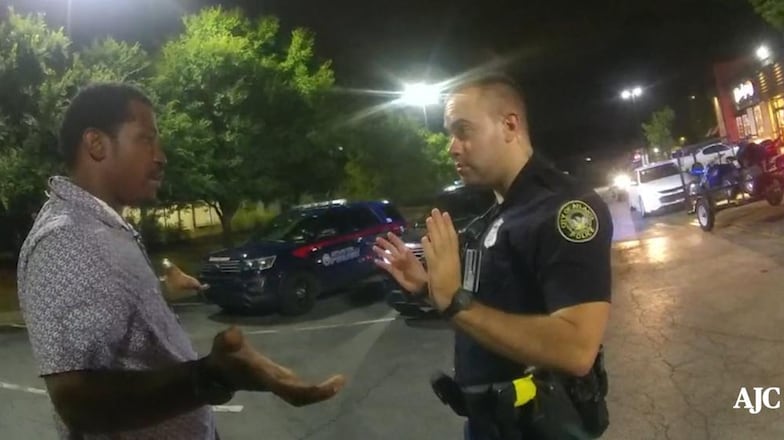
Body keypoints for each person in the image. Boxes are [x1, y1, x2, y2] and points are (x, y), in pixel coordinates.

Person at [16, 82, 345, 439]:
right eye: (146, 139)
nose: (161, 156)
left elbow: (113, 320)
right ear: (96, 144)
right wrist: (211, 376)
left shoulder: (98, 228)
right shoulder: (70, 238)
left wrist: (159, 292)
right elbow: (76, 401)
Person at [374, 73, 612, 439]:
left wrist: (455, 303)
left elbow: (576, 348)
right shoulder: (496, 215)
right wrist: (428, 289)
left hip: (540, 427)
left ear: (509, 125)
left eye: (463, 131)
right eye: (450, 134)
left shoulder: (564, 209)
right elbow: (491, 308)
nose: (452, 148)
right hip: (488, 425)